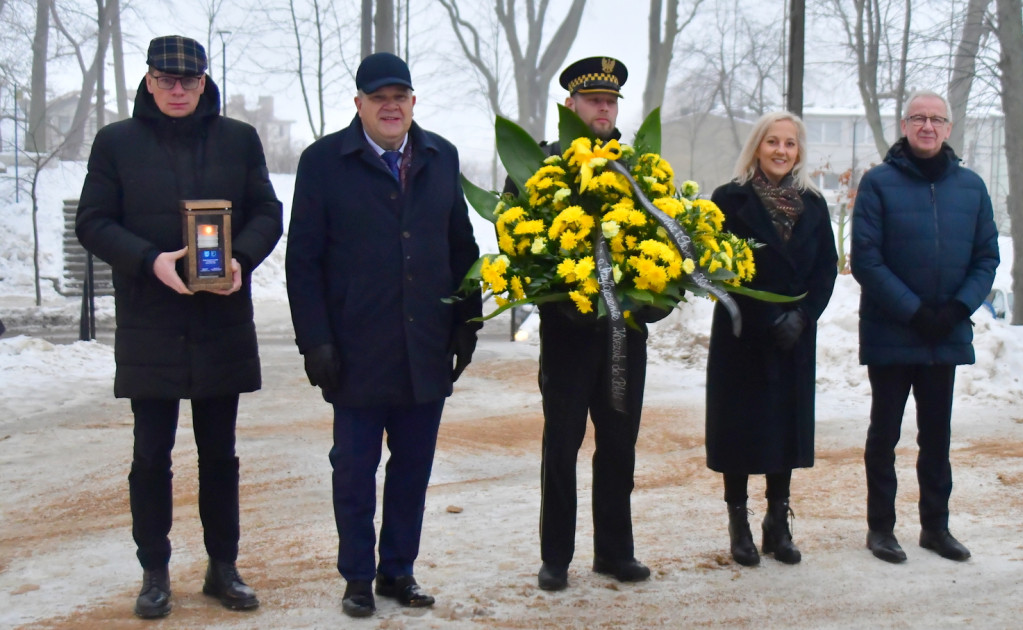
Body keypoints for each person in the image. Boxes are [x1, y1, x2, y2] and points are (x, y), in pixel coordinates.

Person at [75, 35, 282, 619]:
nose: (176, 89)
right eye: (165, 79)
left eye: (187, 80)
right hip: (151, 321)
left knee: (220, 454)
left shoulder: (238, 140)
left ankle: (223, 567)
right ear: (147, 80)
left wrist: (240, 256)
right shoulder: (116, 143)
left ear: (203, 83)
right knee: (151, 455)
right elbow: (93, 221)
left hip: (221, 321)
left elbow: (269, 210)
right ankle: (155, 571)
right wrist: (148, 260)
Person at [285, 52, 481, 618]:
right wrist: (315, 340)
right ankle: (356, 576)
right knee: (353, 469)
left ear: (413, 102)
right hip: (355, 349)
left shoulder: (441, 157)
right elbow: (304, 261)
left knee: (413, 467)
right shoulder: (323, 162)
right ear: (359, 105)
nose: (390, 106)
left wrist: (466, 323)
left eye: (400, 96)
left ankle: (398, 569)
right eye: (378, 97)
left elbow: (460, 247)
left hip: (424, 347)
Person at [505, 56, 663, 592]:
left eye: (611, 100)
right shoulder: (543, 166)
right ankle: (556, 557)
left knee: (619, 445)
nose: (603, 107)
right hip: (569, 338)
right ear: (570, 105)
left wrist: (657, 299)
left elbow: (668, 243)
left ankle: (615, 552)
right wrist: (556, 299)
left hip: (626, 339)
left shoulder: (640, 167)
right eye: (593, 99)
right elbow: (515, 244)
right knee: (563, 444)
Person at [850, 90, 999, 564]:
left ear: (949, 128)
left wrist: (957, 309)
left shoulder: (971, 187)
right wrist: (915, 312)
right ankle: (881, 529)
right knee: (885, 435)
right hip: (894, 330)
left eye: (937, 119)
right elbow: (867, 260)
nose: (928, 126)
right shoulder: (877, 183)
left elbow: (986, 256)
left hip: (946, 332)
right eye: (919, 118)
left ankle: (936, 527)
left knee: (937, 435)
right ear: (904, 125)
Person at [705, 112, 837, 567]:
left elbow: (825, 270)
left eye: (791, 144)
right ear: (757, 146)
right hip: (743, 334)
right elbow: (714, 268)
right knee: (740, 430)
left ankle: (776, 521)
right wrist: (763, 316)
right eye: (773, 142)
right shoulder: (728, 199)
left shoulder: (814, 205)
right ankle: (738, 521)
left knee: (784, 428)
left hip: (794, 337)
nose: (782, 151)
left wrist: (803, 316)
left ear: (799, 151)